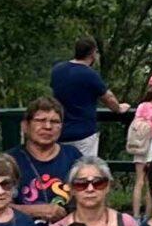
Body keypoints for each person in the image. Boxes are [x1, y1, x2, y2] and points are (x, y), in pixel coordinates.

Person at [49, 37, 127, 165]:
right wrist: (118, 108)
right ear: (93, 53)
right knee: (84, 172)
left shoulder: (58, 70)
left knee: (62, 170)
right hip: (83, 134)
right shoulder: (90, 74)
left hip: (60, 131)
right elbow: (108, 98)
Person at [3, 100, 73, 225]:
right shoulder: (8, 161)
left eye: (54, 122)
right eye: (40, 120)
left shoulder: (73, 156)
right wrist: (34, 210)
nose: (47, 126)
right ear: (25, 126)